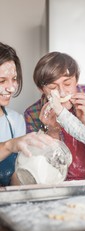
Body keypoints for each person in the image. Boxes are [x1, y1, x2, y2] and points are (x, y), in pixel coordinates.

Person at [24, 51, 85, 181]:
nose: (62, 92)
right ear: (41, 89)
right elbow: (38, 168)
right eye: (52, 87)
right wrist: (52, 133)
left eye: (67, 84)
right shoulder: (32, 114)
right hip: (60, 183)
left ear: (76, 80)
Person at [0, 42, 26, 186]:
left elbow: (17, 173)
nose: (11, 88)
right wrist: (10, 145)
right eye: (2, 81)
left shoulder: (16, 121)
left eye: (14, 79)